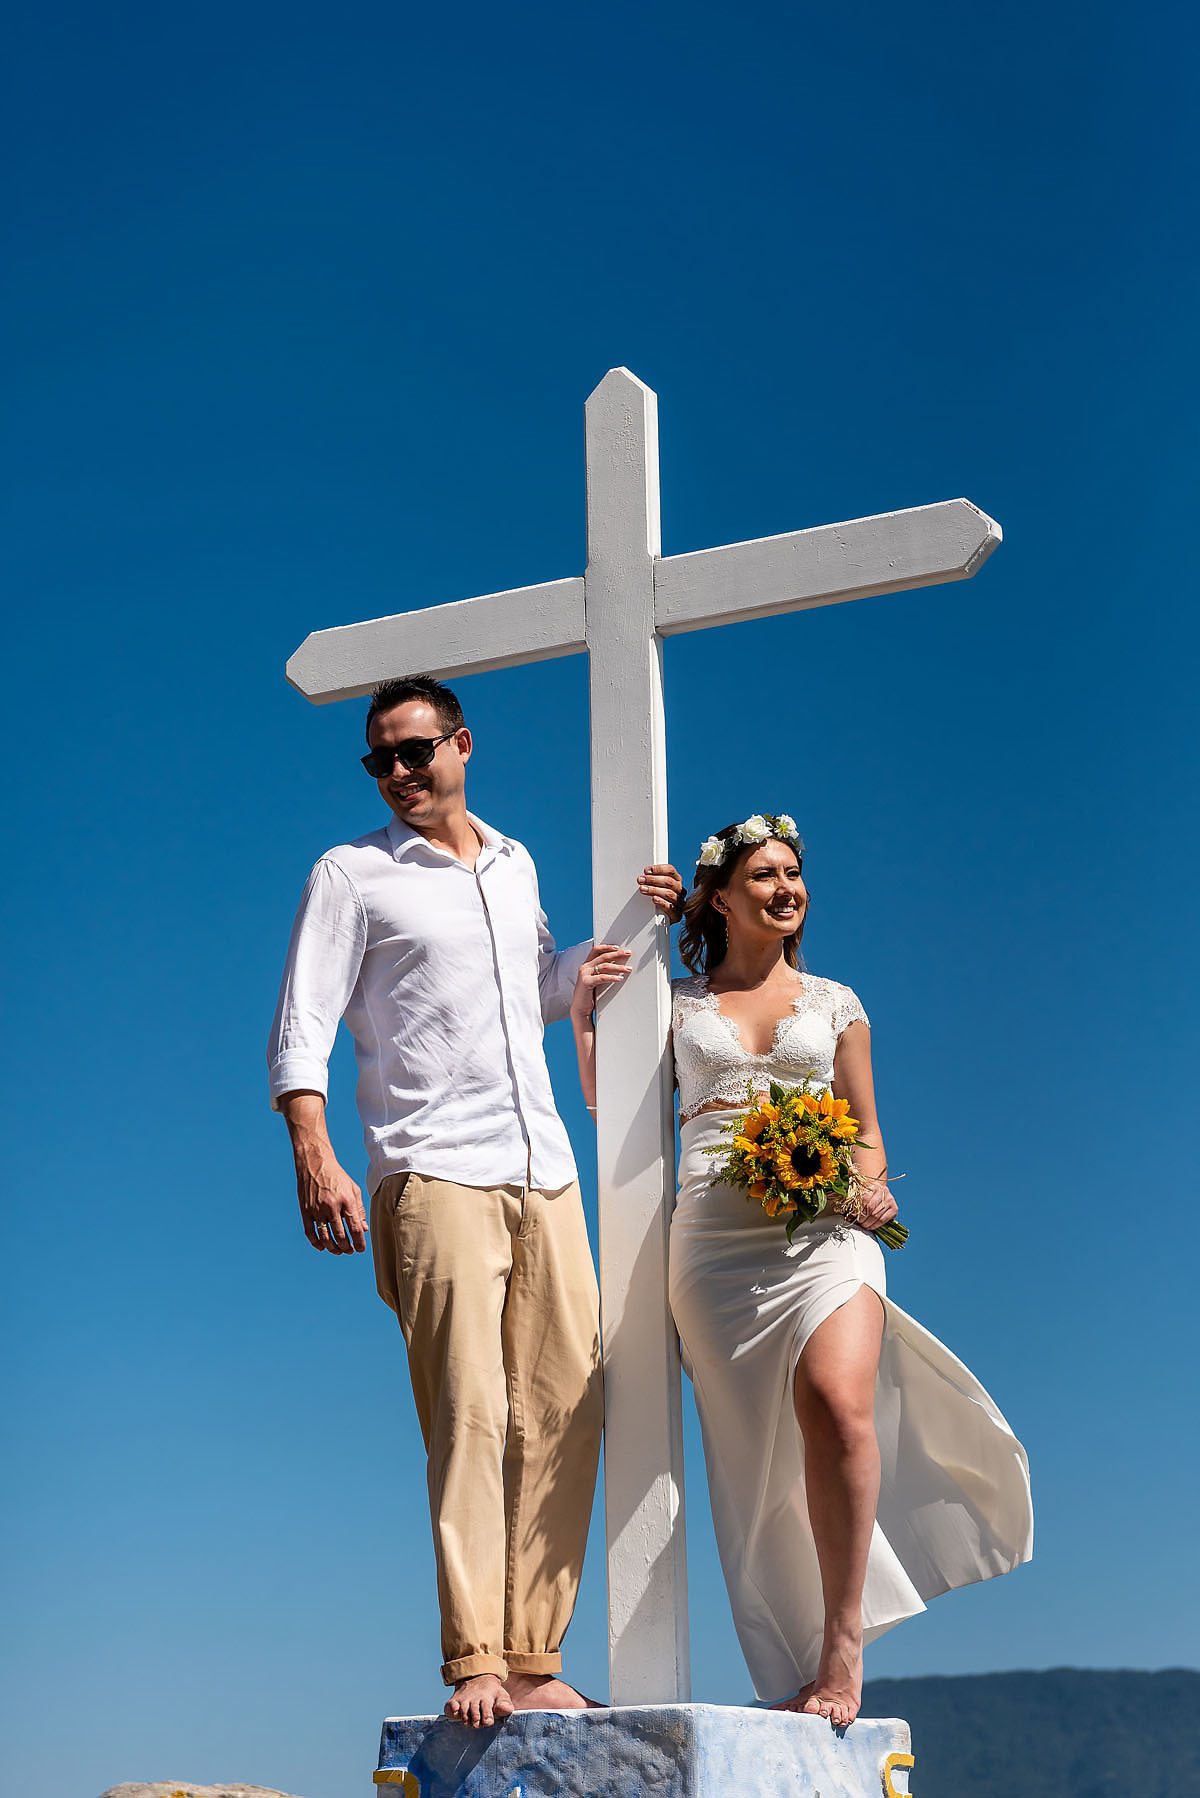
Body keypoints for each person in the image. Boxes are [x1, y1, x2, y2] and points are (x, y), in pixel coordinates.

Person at [267, 673, 682, 1728]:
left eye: (415, 752)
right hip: (430, 1167)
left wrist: (636, 922)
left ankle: (536, 1654)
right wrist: (316, 1154)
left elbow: (542, 988)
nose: (399, 773)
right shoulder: (351, 873)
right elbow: (302, 1023)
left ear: (462, 745)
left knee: (566, 1402)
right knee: (470, 1412)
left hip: (541, 1168)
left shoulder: (513, 863)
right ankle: (476, 1660)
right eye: (381, 759)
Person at [572, 812, 1033, 1727]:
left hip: (824, 1235)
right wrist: (590, 1014)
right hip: (710, 1249)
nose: (786, 888)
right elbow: (610, 1101)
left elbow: (865, 1130)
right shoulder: (676, 1003)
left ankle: (841, 1648)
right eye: (764, 876)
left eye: (793, 874)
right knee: (750, 1463)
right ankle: (784, 1647)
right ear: (721, 897)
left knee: (836, 1403)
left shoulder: (836, 1004)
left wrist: (871, 1189)